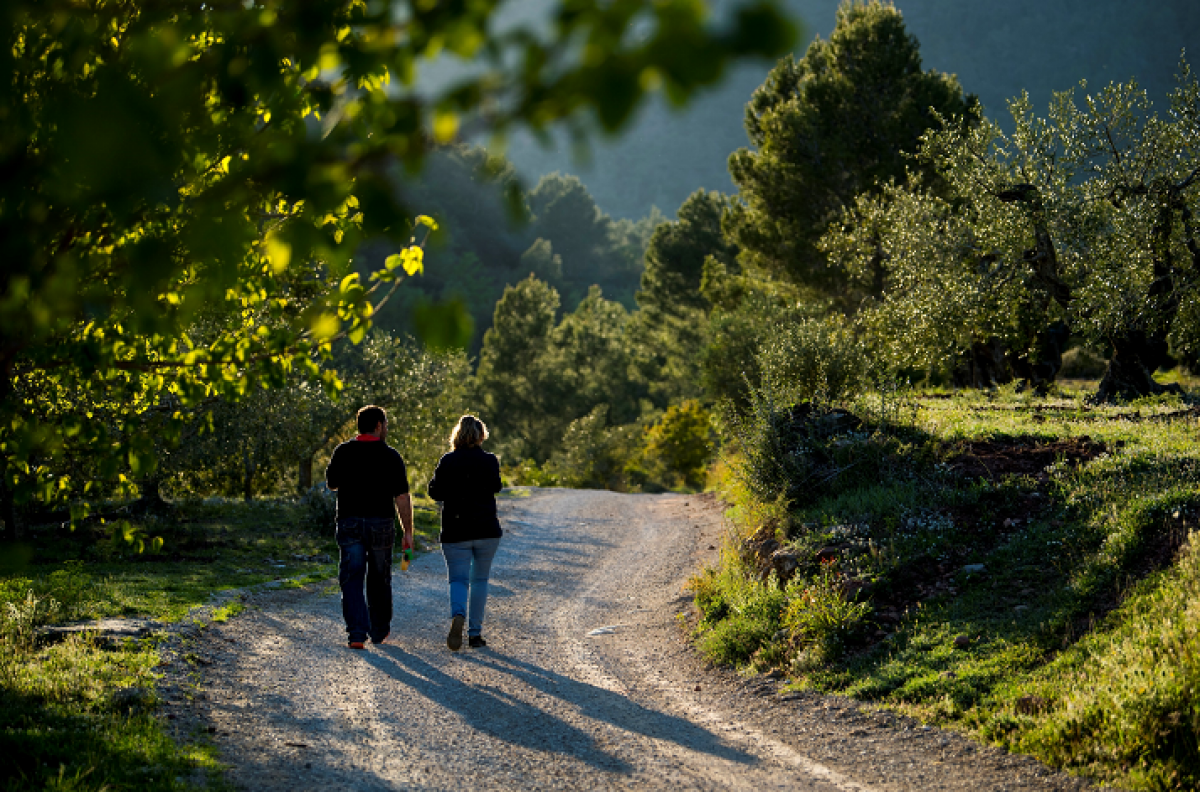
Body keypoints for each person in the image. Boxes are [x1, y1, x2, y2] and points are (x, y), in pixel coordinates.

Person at [325, 405, 414, 650]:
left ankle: (356, 633)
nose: (387, 428)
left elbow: (332, 483)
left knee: (351, 578)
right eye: (385, 424)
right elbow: (402, 497)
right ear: (377, 425)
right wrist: (408, 531)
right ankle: (378, 630)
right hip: (381, 523)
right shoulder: (391, 456)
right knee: (379, 577)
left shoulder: (342, 451)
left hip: (349, 521)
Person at [427, 415, 503, 651]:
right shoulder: (489, 460)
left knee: (458, 579)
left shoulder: (448, 461)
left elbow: (435, 492)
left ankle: (458, 613)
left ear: (457, 435)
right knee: (480, 580)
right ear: (481, 435)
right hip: (486, 530)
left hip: (456, 530)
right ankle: (475, 634)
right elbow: (497, 487)